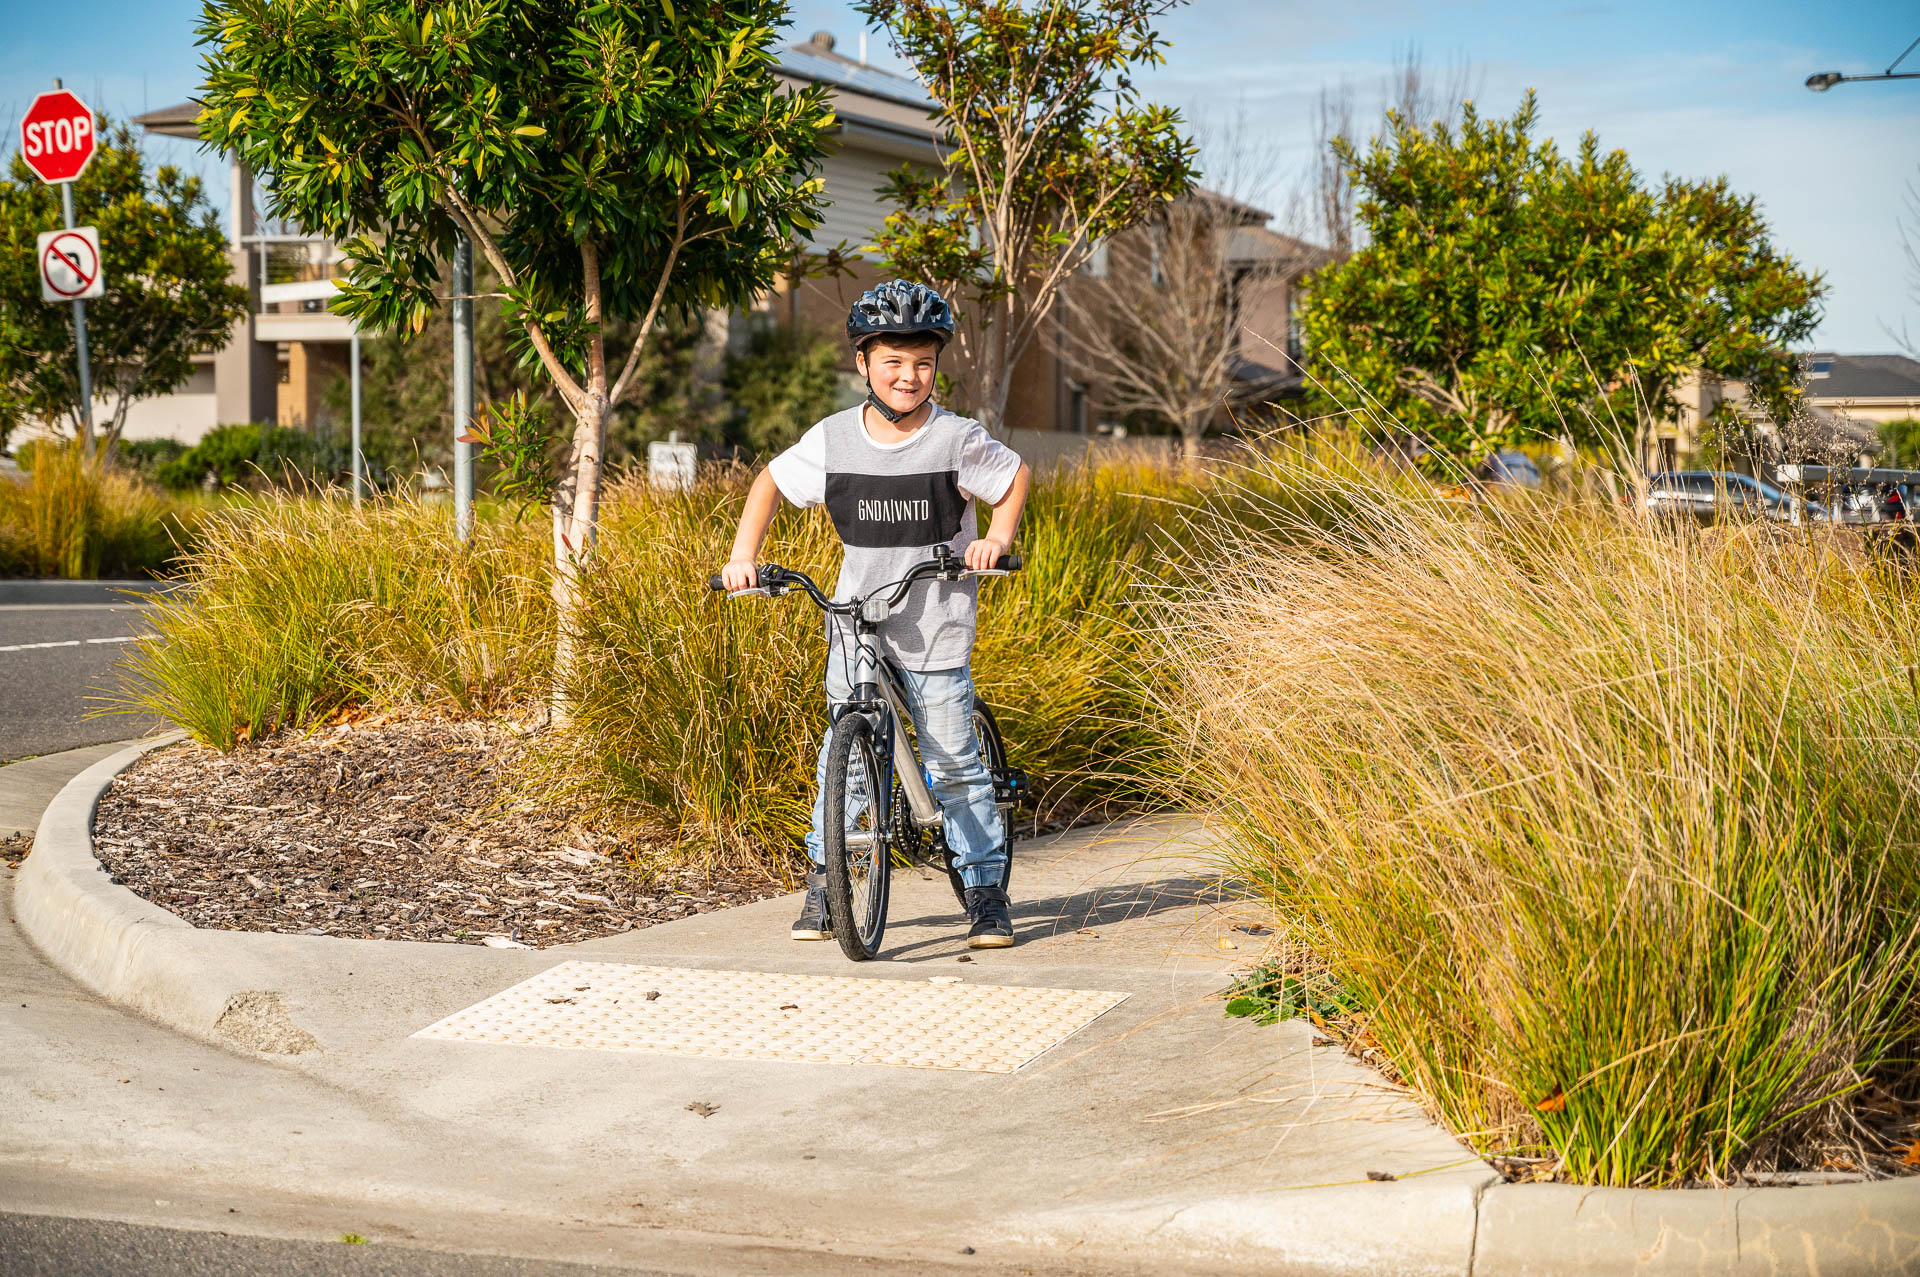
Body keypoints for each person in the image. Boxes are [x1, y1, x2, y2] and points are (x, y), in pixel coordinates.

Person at [719, 281, 1032, 949]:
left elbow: (1012, 479)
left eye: (922, 362)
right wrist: (744, 556)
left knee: (952, 762)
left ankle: (985, 892)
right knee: (848, 760)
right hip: (855, 622)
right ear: (863, 362)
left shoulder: (955, 439)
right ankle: (826, 884)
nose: (908, 376)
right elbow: (769, 482)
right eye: (893, 361)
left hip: (934, 626)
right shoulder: (834, 439)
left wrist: (995, 539)